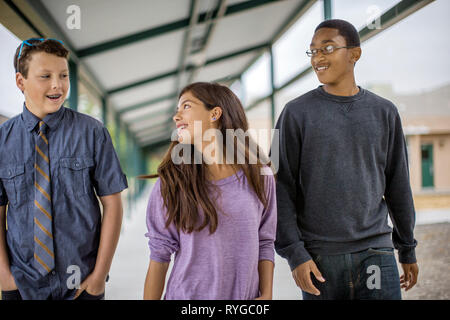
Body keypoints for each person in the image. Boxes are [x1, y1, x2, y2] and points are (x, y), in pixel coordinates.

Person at [274, 19, 419, 300]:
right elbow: (280, 187)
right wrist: (295, 253)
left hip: (376, 254)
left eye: (327, 48)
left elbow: (398, 185)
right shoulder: (294, 114)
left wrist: (407, 248)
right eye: (313, 51)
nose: (318, 57)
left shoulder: (384, 112)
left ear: (355, 53)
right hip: (320, 260)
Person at [0, 38, 128, 300]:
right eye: (45, 76)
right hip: (22, 286)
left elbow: (113, 203)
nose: (57, 84)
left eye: (63, 75)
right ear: (20, 82)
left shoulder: (92, 132)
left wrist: (98, 278)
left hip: (82, 285)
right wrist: (4, 276)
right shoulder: (2, 140)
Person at [143, 82, 277, 300]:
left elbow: (265, 240)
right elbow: (159, 253)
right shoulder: (171, 182)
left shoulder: (260, 175)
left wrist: (267, 294)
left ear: (215, 113)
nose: (176, 117)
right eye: (177, 110)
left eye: (186, 106)